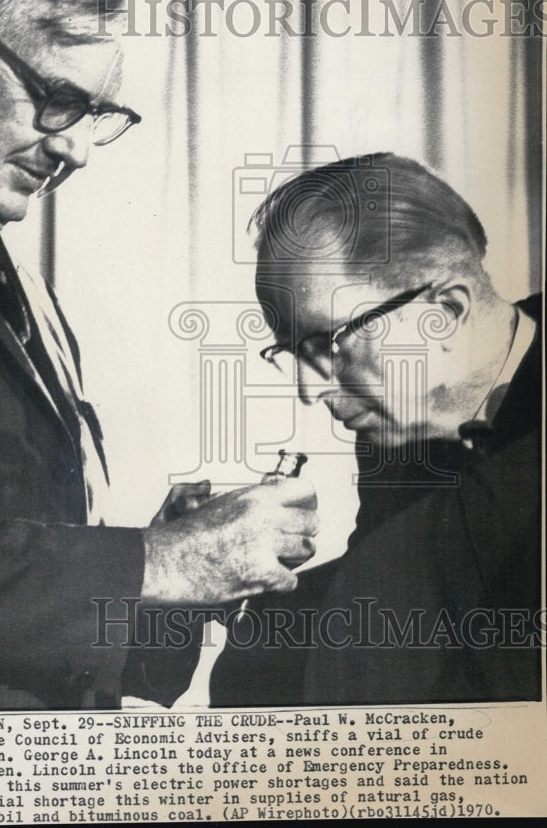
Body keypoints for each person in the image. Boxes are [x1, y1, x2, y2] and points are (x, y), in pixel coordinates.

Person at [0, 0, 319, 712]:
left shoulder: (7, 275)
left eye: (96, 116)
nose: (73, 148)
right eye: (55, 98)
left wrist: (177, 583)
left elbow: (5, 588)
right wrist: (156, 562)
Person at [210, 153, 542, 706]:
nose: (309, 391)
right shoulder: (398, 436)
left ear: (447, 311)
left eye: (326, 345)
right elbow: (404, 605)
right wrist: (241, 586)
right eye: (292, 353)